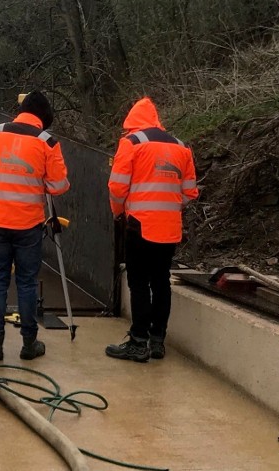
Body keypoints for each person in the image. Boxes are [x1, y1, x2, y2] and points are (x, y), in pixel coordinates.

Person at [0, 90, 70, 362]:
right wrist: (38, 181)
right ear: (44, 118)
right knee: (26, 283)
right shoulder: (47, 142)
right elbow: (58, 186)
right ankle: (29, 343)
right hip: (28, 224)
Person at [105, 96, 198, 362]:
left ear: (132, 122)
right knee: (161, 282)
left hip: (140, 225)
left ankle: (138, 342)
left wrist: (118, 211)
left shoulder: (132, 143)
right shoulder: (181, 147)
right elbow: (189, 192)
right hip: (169, 228)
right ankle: (157, 341)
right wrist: (168, 207)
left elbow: (117, 186)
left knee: (138, 283)